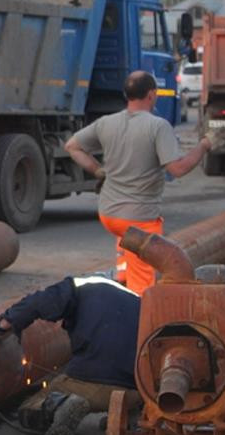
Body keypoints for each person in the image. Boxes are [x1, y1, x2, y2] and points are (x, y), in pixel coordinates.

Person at [65, 71, 212, 293]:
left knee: (126, 242)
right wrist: (202, 147)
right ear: (152, 95)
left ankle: (122, 280)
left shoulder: (106, 123)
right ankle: (137, 308)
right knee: (143, 283)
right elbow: (177, 169)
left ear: (127, 94)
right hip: (139, 218)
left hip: (109, 214)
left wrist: (98, 171)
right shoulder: (158, 126)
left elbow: (72, 146)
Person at [0, 274, 142, 435]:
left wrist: (2, 324)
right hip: (137, 390)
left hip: (91, 382)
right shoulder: (137, 301)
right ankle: (128, 415)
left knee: (30, 408)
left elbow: (37, 303)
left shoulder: (77, 287)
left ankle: (63, 404)